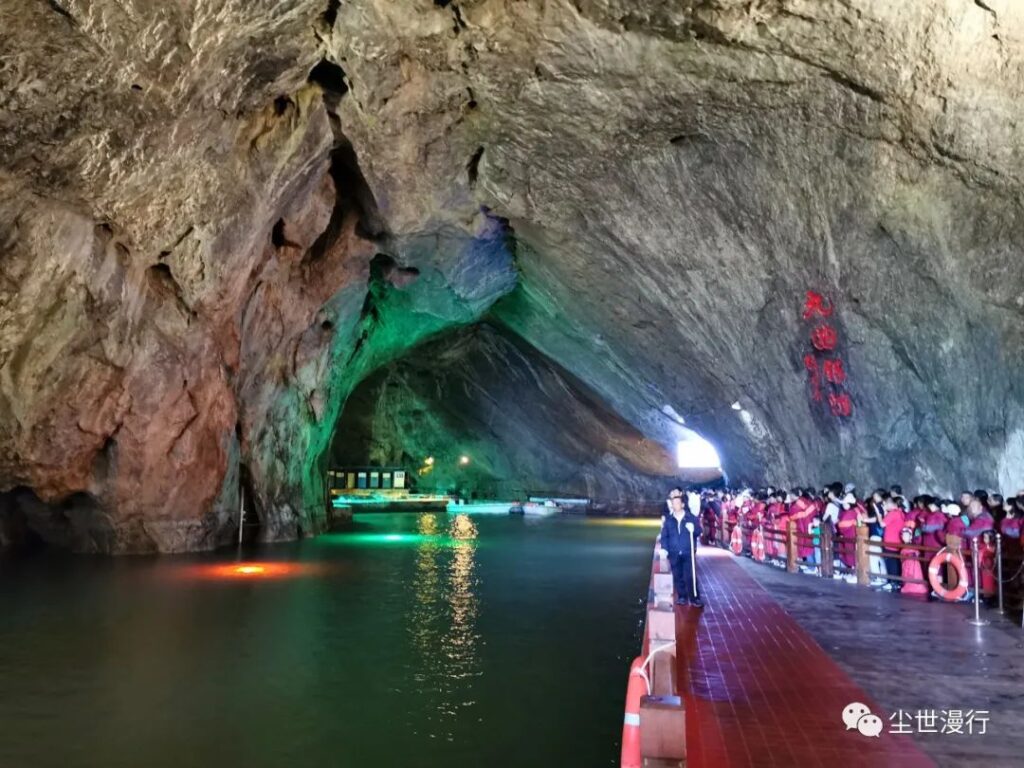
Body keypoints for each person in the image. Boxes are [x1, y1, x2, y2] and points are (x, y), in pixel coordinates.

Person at [659, 488, 704, 608]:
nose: (675, 506)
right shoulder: (669, 520)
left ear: (683, 505)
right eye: (673, 504)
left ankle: (694, 597)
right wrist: (664, 549)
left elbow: (699, 531)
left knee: (690, 575)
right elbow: (665, 536)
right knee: (678, 575)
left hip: (687, 551)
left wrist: (693, 529)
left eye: (677, 503)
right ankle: (682, 596)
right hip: (674, 552)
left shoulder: (691, 518)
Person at [880, 496, 905, 591]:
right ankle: (896, 582)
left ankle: (892, 582)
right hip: (898, 541)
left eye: (885, 504)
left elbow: (882, 524)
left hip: (890, 542)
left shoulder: (893, 513)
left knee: (891, 563)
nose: (884, 505)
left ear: (891, 504)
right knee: (895, 562)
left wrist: (880, 514)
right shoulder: (900, 513)